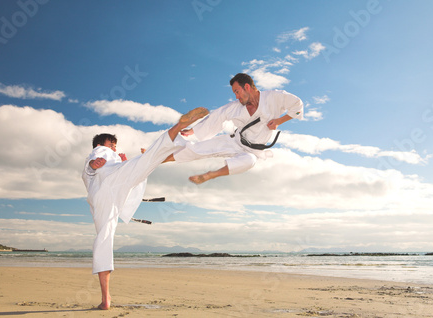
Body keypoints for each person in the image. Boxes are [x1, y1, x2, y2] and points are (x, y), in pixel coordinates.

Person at [81, 107, 208, 310]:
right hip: (106, 190)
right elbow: (88, 170)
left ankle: (106, 299)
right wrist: (93, 165)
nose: (113, 147)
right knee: (145, 161)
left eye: (114, 145)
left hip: (113, 190)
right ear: (99, 144)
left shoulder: (112, 157)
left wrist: (125, 163)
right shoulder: (99, 151)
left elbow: (117, 171)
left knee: (104, 240)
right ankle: (171, 136)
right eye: (110, 144)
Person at [163, 73, 303, 184]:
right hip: (235, 141)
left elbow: (297, 105)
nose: (236, 96)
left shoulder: (274, 97)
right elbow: (217, 115)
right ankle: (159, 158)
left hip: (254, 151)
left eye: (237, 91)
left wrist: (279, 120)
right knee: (198, 149)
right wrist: (193, 130)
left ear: (247, 87)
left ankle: (211, 175)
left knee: (250, 161)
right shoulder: (235, 107)